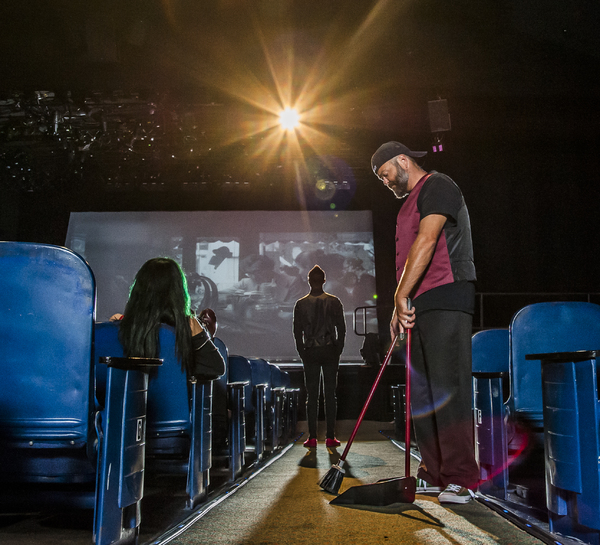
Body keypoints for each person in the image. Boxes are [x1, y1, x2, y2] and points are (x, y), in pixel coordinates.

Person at [371, 141, 480, 504]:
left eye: (385, 173)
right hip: (417, 301)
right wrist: (398, 306)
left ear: (402, 160)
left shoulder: (438, 185)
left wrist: (399, 297)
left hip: (447, 295)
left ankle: (461, 476)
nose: (385, 182)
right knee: (423, 395)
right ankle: (433, 472)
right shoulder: (406, 203)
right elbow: (406, 263)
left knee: (449, 389)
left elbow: (428, 239)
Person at [112, 257, 225, 382]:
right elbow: (216, 368)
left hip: (128, 399)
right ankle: (206, 335)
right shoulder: (188, 324)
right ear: (178, 291)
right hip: (175, 399)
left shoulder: (117, 326)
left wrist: (117, 325)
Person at [293, 265, 346, 449]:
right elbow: (342, 327)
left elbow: (297, 331)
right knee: (330, 395)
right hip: (330, 350)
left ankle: (313, 437)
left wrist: (302, 351)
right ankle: (330, 437)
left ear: (309, 281)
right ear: (324, 280)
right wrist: (338, 348)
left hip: (311, 352)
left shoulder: (301, 304)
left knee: (312, 395)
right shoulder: (334, 301)